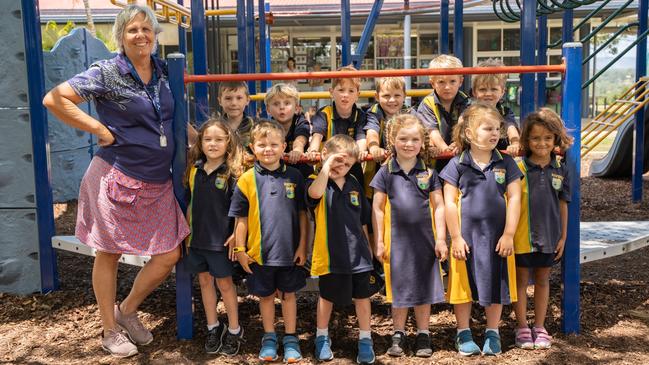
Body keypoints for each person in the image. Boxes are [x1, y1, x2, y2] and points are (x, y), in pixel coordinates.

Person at [42, 4, 190, 358]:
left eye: (146, 29)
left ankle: (127, 310)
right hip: (117, 176)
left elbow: (170, 119)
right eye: (132, 30)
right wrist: (98, 129)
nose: (140, 35)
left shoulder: (165, 71)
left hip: (158, 181)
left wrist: (201, 139)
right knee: (108, 253)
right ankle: (109, 330)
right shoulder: (108, 72)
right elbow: (55, 98)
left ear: (155, 34)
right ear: (121, 36)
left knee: (169, 253)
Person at [439, 103, 522, 356]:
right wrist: (455, 237)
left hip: (497, 238)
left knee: (495, 284)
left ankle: (492, 332)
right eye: (487, 128)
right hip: (465, 238)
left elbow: (516, 198)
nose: (495, 133)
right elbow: (449, 203)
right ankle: (463, 332)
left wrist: (509, 234)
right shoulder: (457, 165)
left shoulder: (506, 163)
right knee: (462, 285)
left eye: (497, 128)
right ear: (469, 133)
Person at [229, 121, 308, 363]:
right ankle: (270, 337)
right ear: (252, 148)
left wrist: (303, 245)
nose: (268, 149)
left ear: (284, 146)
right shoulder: (246, 180)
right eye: (262, 145)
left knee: (288, 295)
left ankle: (291, 338)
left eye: (274, 144)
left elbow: (304, 215)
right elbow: (241, 218)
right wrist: (240, 250)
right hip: (259, 254)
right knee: (265, 297)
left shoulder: (295, 176)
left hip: (289, 252)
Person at [370, 114, 447, 358]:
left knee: (424, 287)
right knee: (400, 290)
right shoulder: (385, 172)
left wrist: (442, 238)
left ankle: (423, 332)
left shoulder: (430, 173)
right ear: (393, 140)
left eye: (415, 139)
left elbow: (439, 206)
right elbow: (378, 208)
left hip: (425, 240)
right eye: (403, 138)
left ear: (422, 143)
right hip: (397, 242)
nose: (408, 144)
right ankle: (399, 332)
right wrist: (379, 240)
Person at [306, 135, 375, 364]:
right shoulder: (317, 180)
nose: (341, 167)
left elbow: (363, 221)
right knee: (327, 297)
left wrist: (369, 250)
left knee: (363, 298)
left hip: (359, 256)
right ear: (325, 155)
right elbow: (314, 194)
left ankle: (366, 340)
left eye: (346, 164)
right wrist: (326, 166)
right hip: (330, 255)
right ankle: (322, 337)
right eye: (338, 161)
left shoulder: (354, 184)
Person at [512, 108, 573, 350]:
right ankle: (521, 326)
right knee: (520, 280)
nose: (542, 143)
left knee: (543, 279)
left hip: (549, 235)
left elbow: (563, 204)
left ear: (555, 140)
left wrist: (563, 236)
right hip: (521, 235)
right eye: (536, 138)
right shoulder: (518, 167)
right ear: (526, 140)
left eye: (548, 138)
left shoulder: (561, 169)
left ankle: (539, 325)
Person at [184, 119, 245, 355]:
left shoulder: (232, 173)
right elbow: (191, 205)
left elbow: (239, 210)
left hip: (220, 241)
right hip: (198, 240)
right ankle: (213, 326)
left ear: (228, 143)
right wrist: (188, 234)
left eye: (219, 139)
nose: (213, 144)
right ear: (200, 142)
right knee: (205, 282)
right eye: (208, 139)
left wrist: (235, 236)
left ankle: (234, 329)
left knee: (225, 284)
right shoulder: (195, 170)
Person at [306, 65, 367, 186]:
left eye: (351, 91)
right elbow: (317, 135)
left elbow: (361, 138)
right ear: (331, 92)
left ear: (357, 95)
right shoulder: (324, 113)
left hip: (350, 166)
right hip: (328, 166)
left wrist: (361, 151)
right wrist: (313, 150)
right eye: (341, 90)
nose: (345, 95)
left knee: (357, 187)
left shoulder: (360, 115)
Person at [416, 54, 469, 170]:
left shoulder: (466, 101)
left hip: (460, 154)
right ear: (432, 83)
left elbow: (463, 123)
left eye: (452, 81)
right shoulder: (427, 104)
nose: (447, 87)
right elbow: (432, 131)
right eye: (441, 82)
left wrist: (458, 142)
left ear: (460, 81)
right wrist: (446, 150)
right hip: (437, 157)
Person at [363, 76, 409, 197]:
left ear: (404, 95)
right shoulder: (374, 112)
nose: (392, 100)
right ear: (377, 97)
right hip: (378, 167)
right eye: (386, 96)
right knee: (376, 197)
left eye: (397, 95)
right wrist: (374, 148)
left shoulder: (409, 112)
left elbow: (421, 131)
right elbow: (372, 131)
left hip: (404, 165)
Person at [470, 58, 521, 155]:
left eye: (494, 89)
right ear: (474, 92)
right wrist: (456, 143)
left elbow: (510, 127)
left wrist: (515, 142)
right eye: (482, 89)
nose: (488, 93)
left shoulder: (504, 112)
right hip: (475, 157)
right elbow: (461, 124)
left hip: (499, 158)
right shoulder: (470, 111)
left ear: (502, 92)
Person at [264, 83, 313, 177]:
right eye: (276, 104)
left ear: (297, 108)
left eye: (287, 103)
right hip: (277, 174)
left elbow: (300, 138)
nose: (282, 107)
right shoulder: (267, 127)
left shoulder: (300, 121)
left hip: (302, 173)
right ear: (268, 109)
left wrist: (297, 150)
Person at [217, 81, 255, 162]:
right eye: (228, 98)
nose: (234, 103)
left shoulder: (255, 126)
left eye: (239, 98)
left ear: (247, 100)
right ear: (220, 101)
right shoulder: (215, 127)